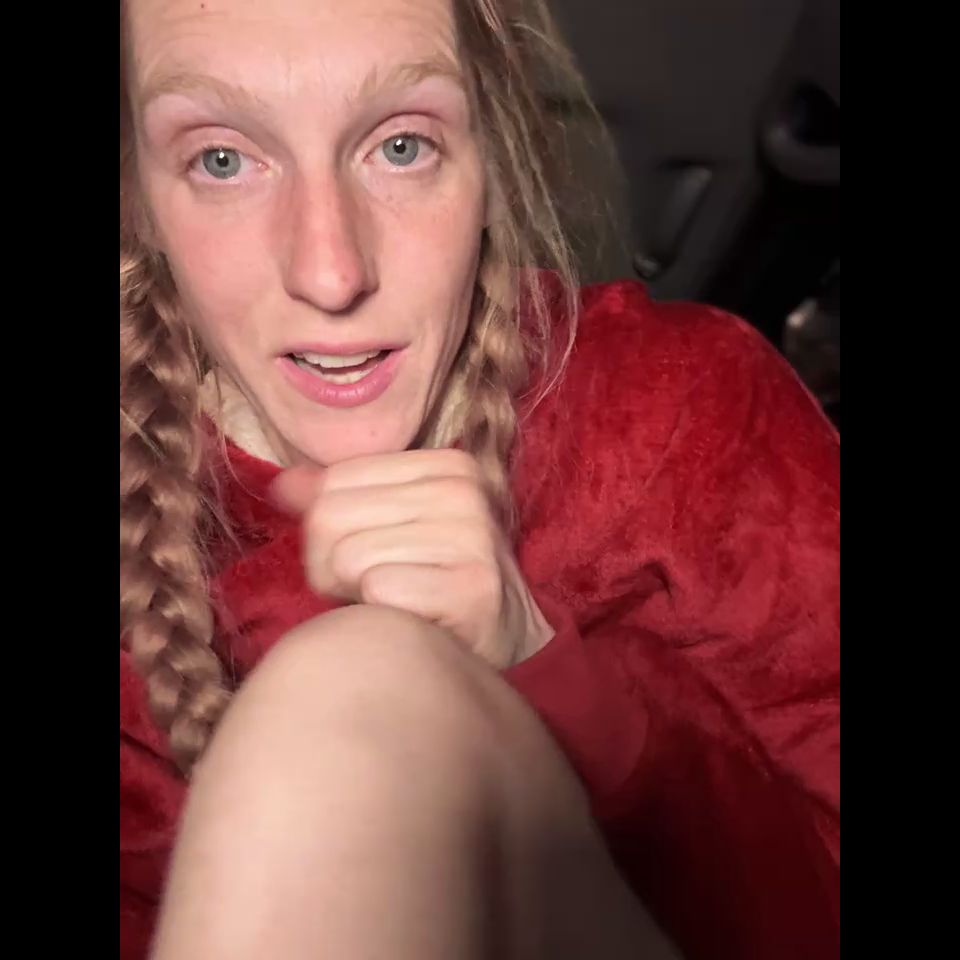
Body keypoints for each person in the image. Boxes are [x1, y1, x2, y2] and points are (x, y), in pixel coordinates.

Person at [119, 1, 840, 958]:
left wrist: (547, 675)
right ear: (138, 201)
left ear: (492, 163)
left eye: (402, 147)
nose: (330, 273)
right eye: (221, 160)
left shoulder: (687, 411)